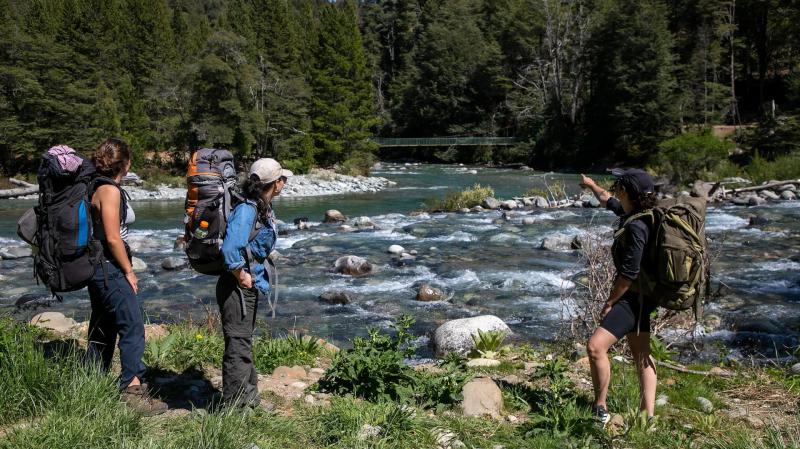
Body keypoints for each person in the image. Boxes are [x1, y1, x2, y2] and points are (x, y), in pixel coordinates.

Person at [88, 137, 166, 415]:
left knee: (103, 327)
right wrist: (129, 271)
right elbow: (112, 237)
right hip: (109, 267)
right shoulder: (109, 190)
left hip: (99, 267)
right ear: (126, 163)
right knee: (132, 327)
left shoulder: (97, 185)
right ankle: (132, 390)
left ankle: (91, 384)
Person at [579, 168, 658, 425]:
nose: (615, 189)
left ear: (626, 191)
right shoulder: (636, 214)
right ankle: (648, 417)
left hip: (632, 298)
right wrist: (591, 184)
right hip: (644, 297)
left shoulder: (636, 226)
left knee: (595, 347)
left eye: (618, 186)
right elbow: (607, 200)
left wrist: (611, 301)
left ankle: (600, 408)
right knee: (641, 354)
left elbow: (629, 272)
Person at [217, 158, 292, 407]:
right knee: (238, 344)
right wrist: (242, 276)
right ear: (275, 183)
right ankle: (235, 407)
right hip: (237, 288)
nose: (285, 183)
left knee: (243, 341)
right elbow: (230, 249)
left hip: (248, 285)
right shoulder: (247, 210)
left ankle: (250, 398)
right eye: (283, 178)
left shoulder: (261, 207)